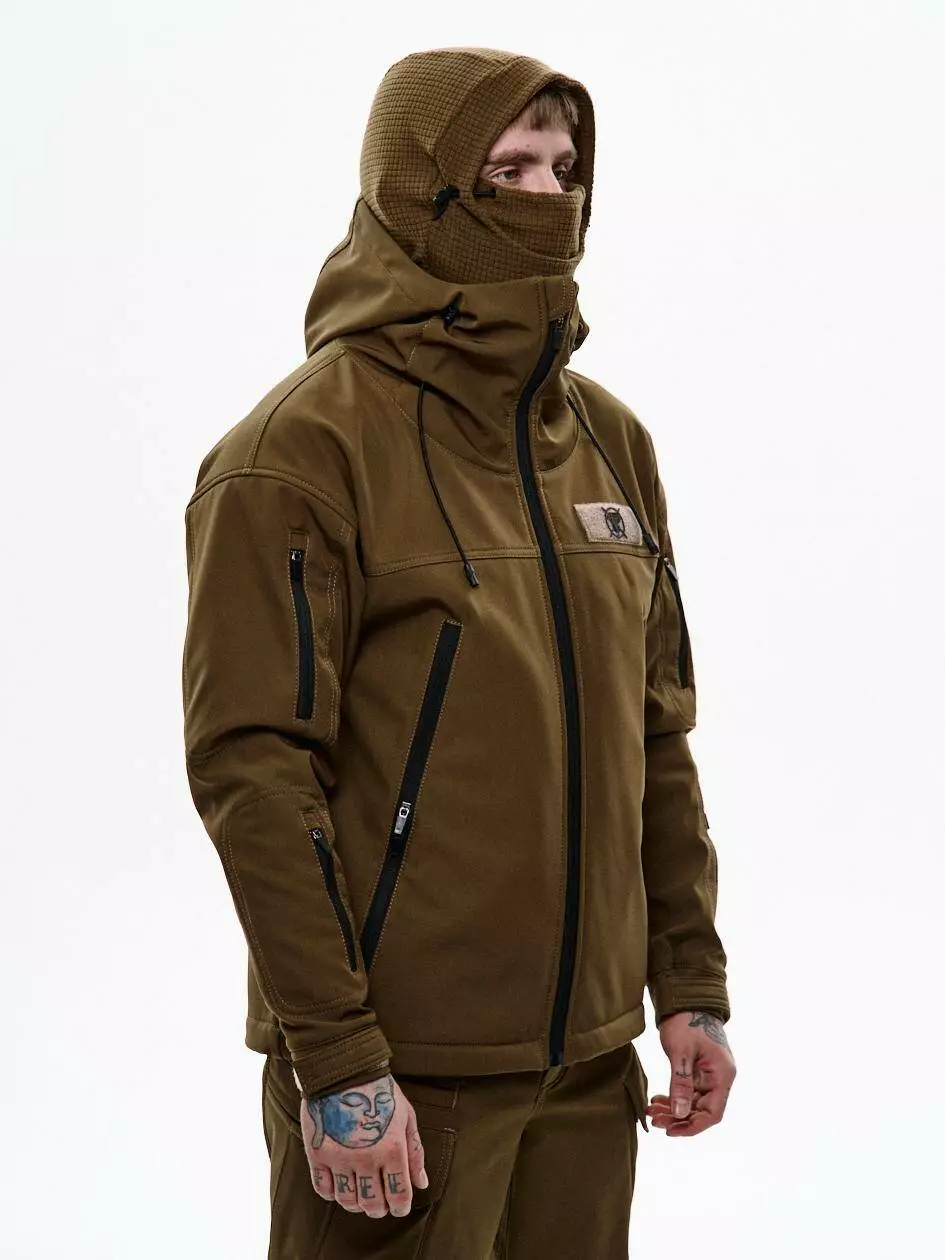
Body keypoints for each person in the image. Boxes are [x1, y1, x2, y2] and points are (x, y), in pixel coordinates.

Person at [181, 44, 737, 1260]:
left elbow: (656, 734)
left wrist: (688, 984)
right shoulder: (296, 453)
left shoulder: (611, 442)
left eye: (566, 169)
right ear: (416, 188)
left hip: (591, 1067)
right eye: (509, 169)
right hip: (401, 1076)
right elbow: (252, 773)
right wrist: (340, 1060)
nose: (549, 198)